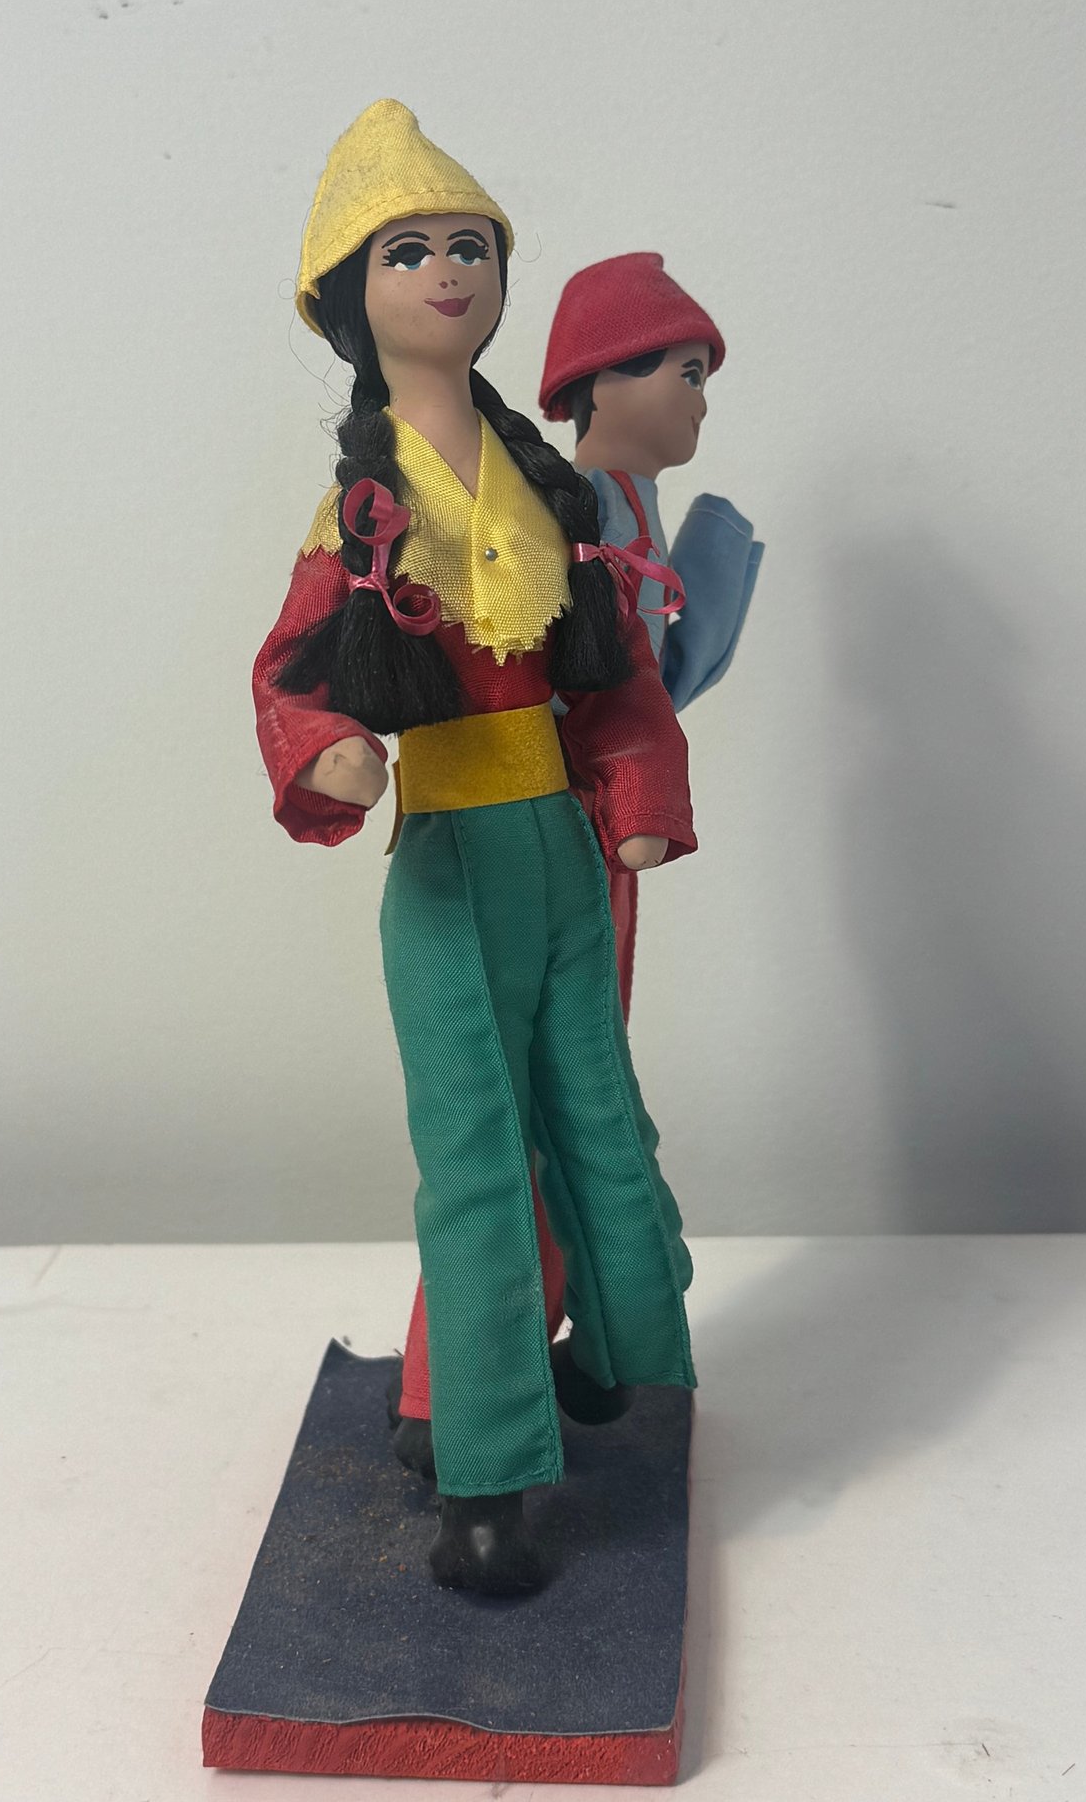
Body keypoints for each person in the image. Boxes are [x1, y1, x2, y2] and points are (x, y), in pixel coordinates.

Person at [252, 101, 697, 1595]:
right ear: (350, 294)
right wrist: (329, 745)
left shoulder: (543, 485)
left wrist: (635, 797)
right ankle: (486, 1471)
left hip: (564, 853)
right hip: (447, 864)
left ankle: (616, 1362)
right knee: (476, 1163)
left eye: (467, 247)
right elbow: (291, 671)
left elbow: (616, 681)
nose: (447, 272)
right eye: (409, 251)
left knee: (599, 1121)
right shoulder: (361, 510)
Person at [393, 254, 761, 1467]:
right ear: (603, 380)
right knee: (519, 1119)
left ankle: (571, 1354)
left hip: (600, 827)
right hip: (541, 827)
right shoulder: (574, 508)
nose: (700, 397)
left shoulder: (629, 510)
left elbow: (659, 679)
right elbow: (584, 676)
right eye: (684, 369)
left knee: (578, 1106)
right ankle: (453, 1391)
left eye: (704, 372)